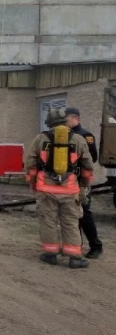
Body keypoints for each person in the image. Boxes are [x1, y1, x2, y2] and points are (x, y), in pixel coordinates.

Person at [25, 108, 94, 269]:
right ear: (65, 122)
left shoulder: (40, 139)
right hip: (70, 189)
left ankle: (50, 254)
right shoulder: (78, 139)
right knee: (70, 222)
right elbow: (87, 166)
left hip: (46, 188)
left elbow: (31, 164)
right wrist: (84, 185)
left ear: (49, 123)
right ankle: (75, 257)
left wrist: (32, 182)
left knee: (48, 221)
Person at [64, 107, 103, 258]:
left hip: (81, 182)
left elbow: (92, 158)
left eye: (66, 119)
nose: (64, 122)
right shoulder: (66, 135)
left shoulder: (85, 135)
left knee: (85, 214)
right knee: (72, 215)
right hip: (68, 181)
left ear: (74, 118)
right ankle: (76, 246)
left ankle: (96, 246)